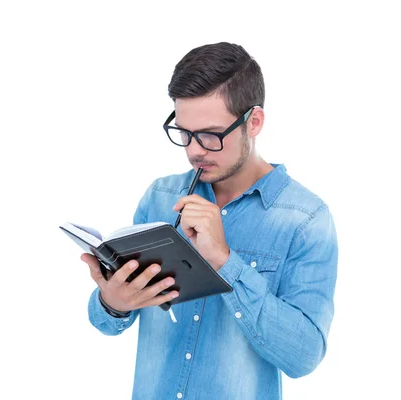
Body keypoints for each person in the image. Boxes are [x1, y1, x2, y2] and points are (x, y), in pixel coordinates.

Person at [80, 42, 338, 400]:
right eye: (184, 132)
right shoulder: (159, 198)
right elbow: (105, 322)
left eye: (210, 135)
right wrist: (114, 302)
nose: (193, 150)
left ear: (254, 122)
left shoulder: (306, 219)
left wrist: (224, 261)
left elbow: (304, 357)